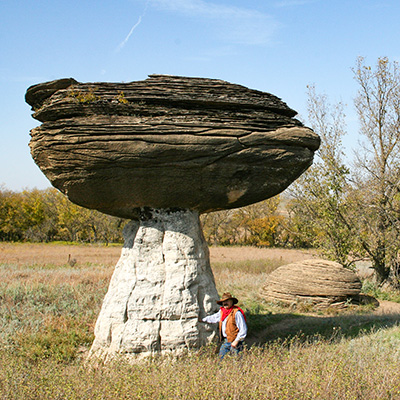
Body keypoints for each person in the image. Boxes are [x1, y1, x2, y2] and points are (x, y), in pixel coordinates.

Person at [200, 292, 247, 359]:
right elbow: (214, 318)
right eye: (223, 301)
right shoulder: (222, 312)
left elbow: (243, 329)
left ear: (232, 302)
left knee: (237, 361)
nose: (225, 303)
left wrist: (236, 341)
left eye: (227, 301)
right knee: (220, 359)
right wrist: (203, 319)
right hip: (226, 340)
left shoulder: (237, 313)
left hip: (235, 341)